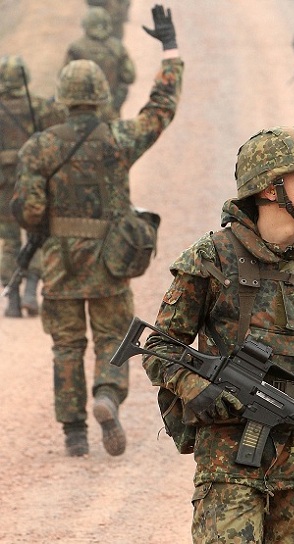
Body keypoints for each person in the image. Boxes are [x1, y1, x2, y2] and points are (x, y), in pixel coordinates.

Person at [142, 126, 294, 543]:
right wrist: (200, 390)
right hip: (227, 460)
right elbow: (160, 347)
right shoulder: (213, 257)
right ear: (270, 189)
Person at [11, 4, 183, 457]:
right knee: (112, 337)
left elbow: (28, 212)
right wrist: (170, 49)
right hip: (110, 259)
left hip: (62, 263)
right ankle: (107, 394)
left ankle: (73, 434)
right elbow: (160, 109)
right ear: (103, 95)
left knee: (67, 346)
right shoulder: (118, 139)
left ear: (63, 96)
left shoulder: (40, 147)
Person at [0, 55, 66, 318]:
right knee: (36, 238)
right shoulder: (40, 107)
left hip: (3, 189)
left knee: (9, 243)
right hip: (35, 184)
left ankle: (13, 298)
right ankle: (31, 289)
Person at [64, 6, 136, 120]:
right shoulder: (117, 47)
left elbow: (64, 79)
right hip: (110, 110)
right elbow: (129, 77)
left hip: (81, 111)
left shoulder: (76, 48)